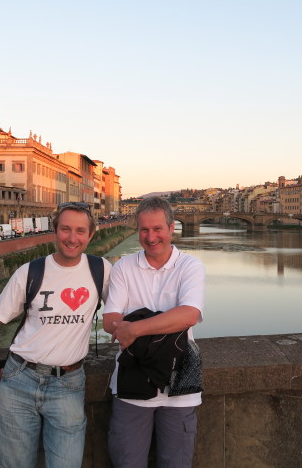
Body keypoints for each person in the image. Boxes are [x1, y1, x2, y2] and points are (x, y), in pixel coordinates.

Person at [0, 202, 112, 468]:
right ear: (55, 231)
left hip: (69, 385)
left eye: (79, 231)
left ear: (90, 235)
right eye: (65, 229)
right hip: (19, 381)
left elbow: (121, 312)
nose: (72, 238)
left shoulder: (101, 270)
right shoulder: (30, 271)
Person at [103, 196, 206, 467]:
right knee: (128, 462)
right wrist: (166, 324)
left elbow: (189, 315)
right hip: (131, 381)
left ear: (172, 228)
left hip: (180, 383)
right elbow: (110, 320)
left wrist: (135, 327)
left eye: (157, 229)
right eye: (144, 230)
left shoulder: (190, 266)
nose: (151, 237)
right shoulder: (124, 267)